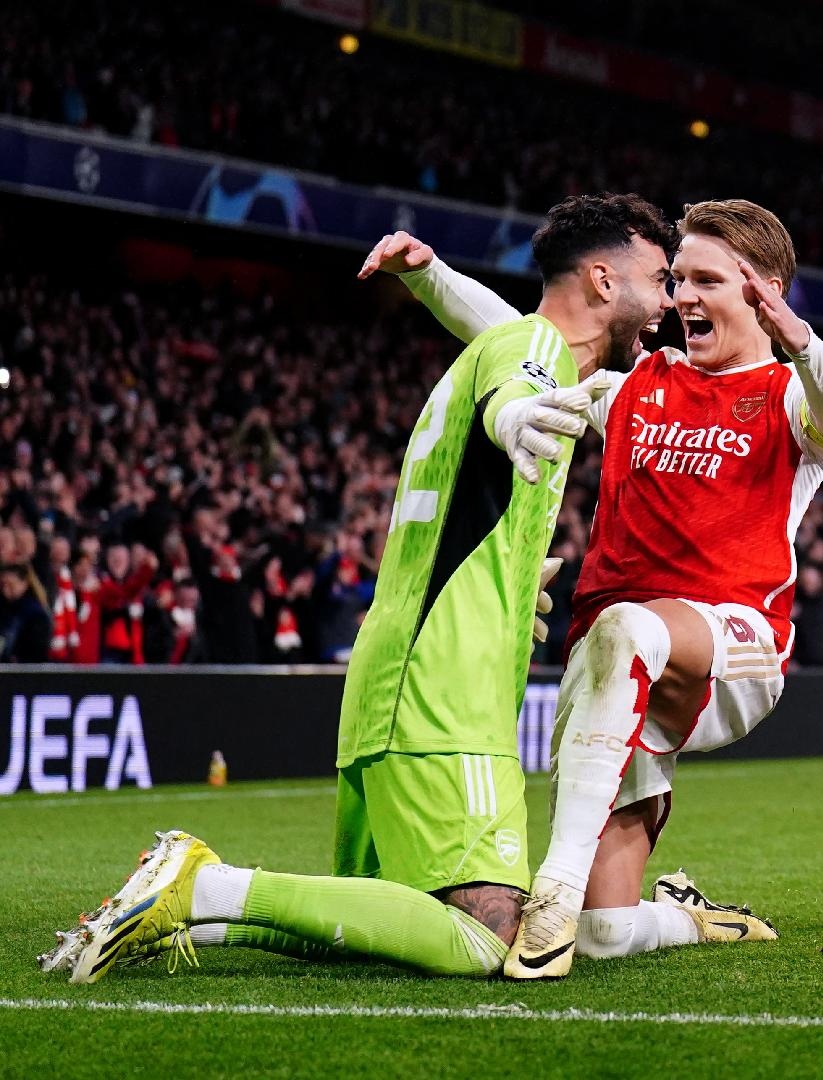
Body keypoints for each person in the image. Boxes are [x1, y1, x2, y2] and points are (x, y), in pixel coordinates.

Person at [52, 192, 674, 982]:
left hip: (394, 677)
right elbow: (514, 398)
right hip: (446, 696)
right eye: (658, 280)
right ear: (603, 280)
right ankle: (206, 883)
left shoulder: (506, 349)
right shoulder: (535, 355)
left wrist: (518, 585)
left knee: (375, 916)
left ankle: (187, 917)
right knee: (486, 936)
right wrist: (514, 420)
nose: (667, 304)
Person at [371, 198, 823, 979]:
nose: (685, 298)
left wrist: (798, 338)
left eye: (708, 280)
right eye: (679, 278)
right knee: (608, 930)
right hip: (615, 669)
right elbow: (522, 342)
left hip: (733, 647)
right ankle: (682, 917)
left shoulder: (788, 395)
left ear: (764, 292)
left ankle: (554, 894)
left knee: (628, 627)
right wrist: (430, 277)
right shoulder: (638, 386)